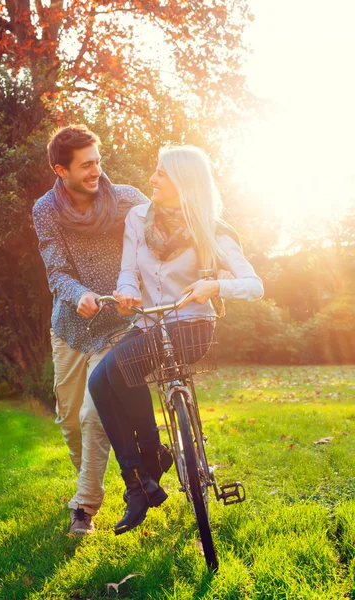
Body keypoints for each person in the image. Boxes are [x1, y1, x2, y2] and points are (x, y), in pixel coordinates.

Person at [88, 144, 264, 535]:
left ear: (184, 182)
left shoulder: (213, 229)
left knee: (118, 369)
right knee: (98, 379)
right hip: (150, 324)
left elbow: (255, 285)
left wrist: (214, 285)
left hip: (190, 328)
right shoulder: (138, 218)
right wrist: (127, 292)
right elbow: (127, 271)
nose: (151, 179)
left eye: (160, 173)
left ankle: (148, 464)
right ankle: (139, 479)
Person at [32, 124, 150, 534]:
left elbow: (164, 234)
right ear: (61, 170)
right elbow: (56, 270)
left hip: (118, 323)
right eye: (86, 165)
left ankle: (84, 506)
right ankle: (99, 474)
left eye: (98, 161)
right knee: (69, 421)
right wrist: (78, 292)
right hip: (70, 325)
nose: (96, 171)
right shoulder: (45, 209)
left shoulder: (128, 201)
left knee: (92, 414)